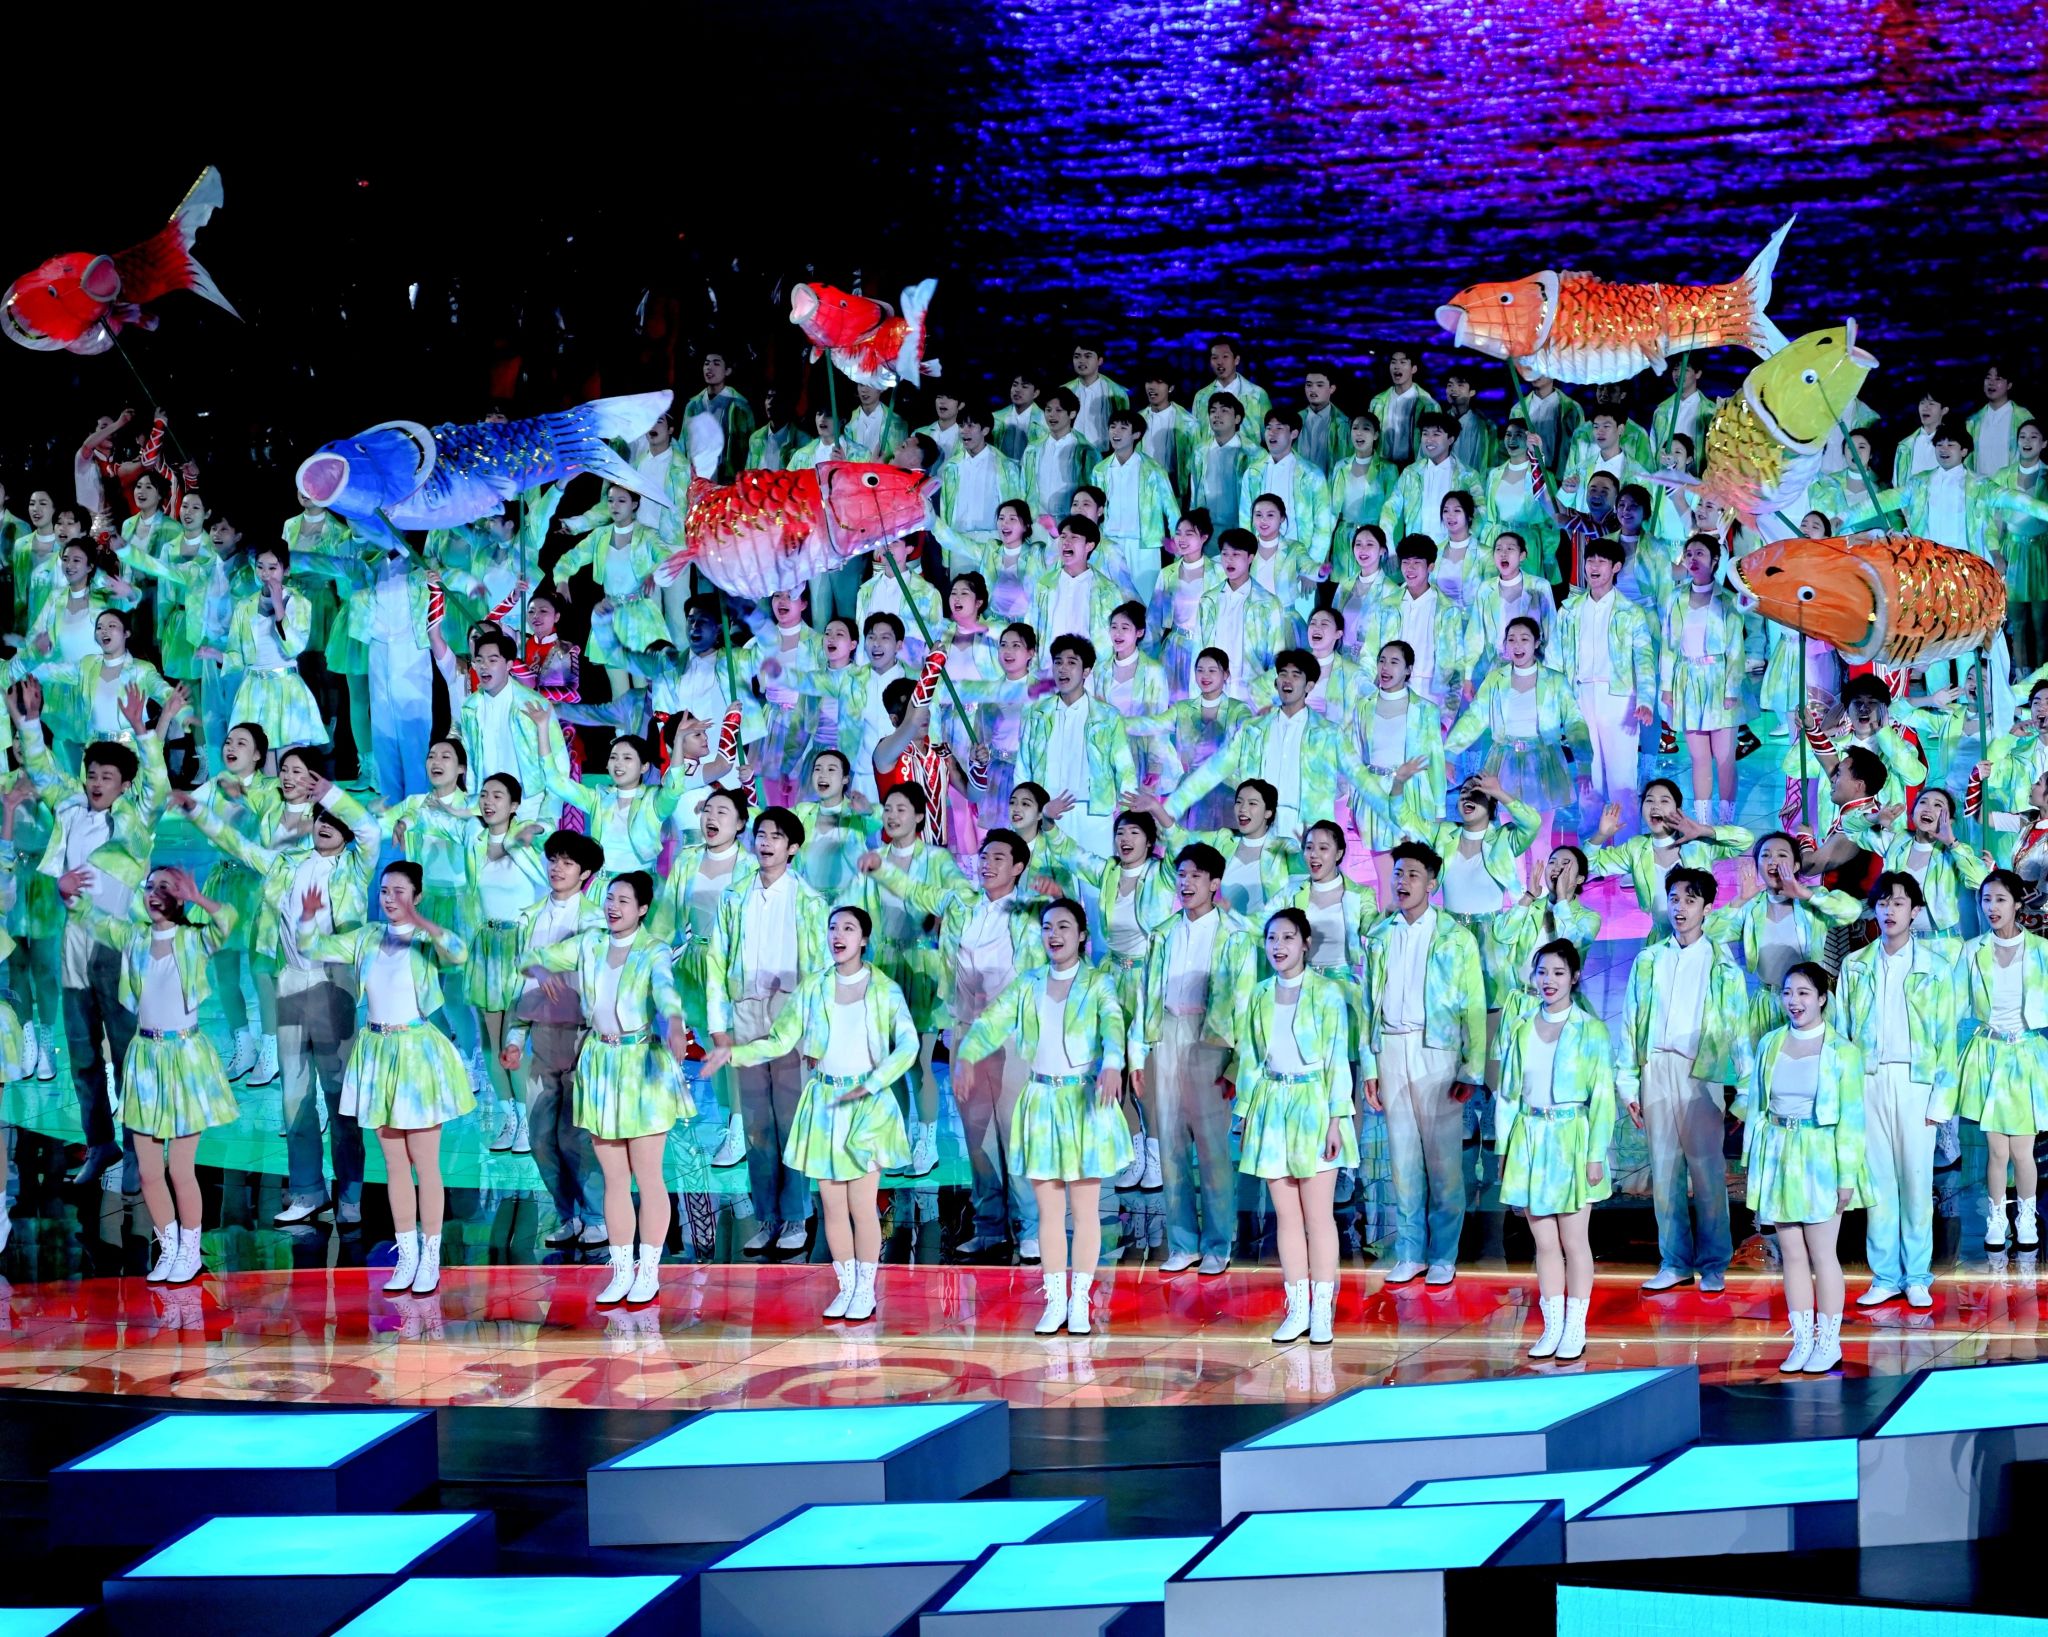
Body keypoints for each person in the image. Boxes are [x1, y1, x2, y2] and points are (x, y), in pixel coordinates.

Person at [176, 750, 380, 1225]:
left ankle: (350, 1191)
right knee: (295, 1095)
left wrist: (330, 793)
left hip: (334, 986)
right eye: (320, 819)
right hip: (291, 982)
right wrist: (196, 811)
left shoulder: (355, 866)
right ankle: (307, 1190)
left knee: (339, 1096)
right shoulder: (288, 864)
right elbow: (237, 843)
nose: (326, 825)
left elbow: (370, 828)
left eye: (334, 821)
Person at [702, 906, 918, 1322]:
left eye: (848, 929)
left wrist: (875, 1083)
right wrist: (735, 1053)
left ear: (863, 940)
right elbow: (780, 1040)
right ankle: (847, 1286)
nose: (838, 935)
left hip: (867, 1106)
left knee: (861, 1205)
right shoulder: (814, 987)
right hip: (825, 1104)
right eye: (833, 928)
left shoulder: (884, 989)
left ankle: (866, 1289)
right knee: (832, 1207)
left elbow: (908, 1045)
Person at [14, 676, 177, 1185]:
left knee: (127, 1052)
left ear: (124, 784)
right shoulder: (70, 809)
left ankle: (138, 1152)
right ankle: (100, 1144)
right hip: (75, 943)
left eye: (107, 776)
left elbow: (158, 785)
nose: (96, 782)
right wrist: (29, 723)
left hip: (120, 943)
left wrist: (144, 732)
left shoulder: (135, 816)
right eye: (92, 774)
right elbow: (42, 770)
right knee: (83, 1052)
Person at [957, 898, 1131, 1336]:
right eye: (1048, 927)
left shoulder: (1098, 983)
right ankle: (1055, 1300)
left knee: (1085, 1211)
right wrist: (966, 1057)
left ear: (1082, 936)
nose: (1054, 935)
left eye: (1064, 927)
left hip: (1083, 1102)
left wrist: (1113, 1063)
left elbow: (1114, 1027)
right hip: (1041, 1103)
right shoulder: (1028, 983)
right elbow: (991, 1023)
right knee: (1048, 1212)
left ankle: (1080, 1299)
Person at [299, 862, 474, 1296]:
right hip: (377, 1053)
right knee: (395, 1164)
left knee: (424, 1163)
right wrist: (308, 916)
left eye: (399, 891)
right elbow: (313, 945)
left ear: (416, 896)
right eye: (384, 890)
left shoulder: (424, 940)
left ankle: (430, 1256)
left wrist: (421, 923)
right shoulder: (368, 936)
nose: (390, 898)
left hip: (416, 1054)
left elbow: (459, 952)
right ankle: (406, 1254)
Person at [529, 870, 693, 1305]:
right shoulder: (590, 943)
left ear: (642, 909)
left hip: (642, 1066)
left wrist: (675, 1021)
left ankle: (649, 1270)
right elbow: (529, 955)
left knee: (648, 1176)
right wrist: (539, 968)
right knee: (614, 1178)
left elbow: (666, 990)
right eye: (609, 898)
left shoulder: (653, 950)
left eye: (623, 900)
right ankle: (621, 1270)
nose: (613, 906)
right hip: (600, 1063)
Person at [77, 865, 239, 1285]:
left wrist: (199, 898)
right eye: (150, 886)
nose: (154, 893)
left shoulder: (193, 939)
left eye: (165, 886)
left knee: (180, 1169)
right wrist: (69, 894)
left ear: (180, 895)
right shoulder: (134, 937)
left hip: (185, 1059)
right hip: (145, 1058)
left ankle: (190, 1250)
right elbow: (91, 918)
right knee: (149, 1171)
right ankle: (168, 1248)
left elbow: (227, 920)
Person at [1615, 866, 1754, 1294]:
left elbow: (1739, 1030)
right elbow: (1630, 1022)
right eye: (1674, 899)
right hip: (1656, 1067)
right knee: (1664, 1170)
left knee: (1707, 1172)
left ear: (1707, 908)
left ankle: (1714, 1263)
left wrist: (1745, 1091)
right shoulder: (1649, 960)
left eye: (1690, 900)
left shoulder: (1722, 965)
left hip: (1701, 1073)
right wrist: (1627, 1081)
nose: (1680, 908)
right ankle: (1674, 1261)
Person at [1360, 842, 1488, 1287]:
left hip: (1437, 1050)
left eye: (1413, 874)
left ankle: (1443, 1253)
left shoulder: (1455, 937)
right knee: (1402, 1157)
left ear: (1432, 883)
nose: (1402, 882)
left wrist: (1471, 1068)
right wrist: (1370, 1065)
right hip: (1391, 1048)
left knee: (1443, 1160)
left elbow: (1474, 1005)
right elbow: (1368, 1004)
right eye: (1398, 873)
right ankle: (1410, 1251)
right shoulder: (1380, 936)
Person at [1129, 842, 1259, 1276]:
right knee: (1170, 1144)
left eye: (1196, 876)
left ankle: (1218, 1244)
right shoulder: (1162, 933)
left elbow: (1246, 1005)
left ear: (1214, 884)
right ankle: (1183, 1243)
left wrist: (1238, 1064)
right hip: (1166, 1035)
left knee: (1213, 1149)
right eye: (1182, 875)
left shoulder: (1236, 936)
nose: (1186, 883)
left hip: (1211, 1040)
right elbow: (1146, 995)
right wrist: (1137, 1054)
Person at [707, 808, 831, 1254]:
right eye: (761, 834)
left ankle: (796, 1215)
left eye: (776, 836)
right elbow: (716, 959)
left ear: (793, 847)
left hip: (790, 1015)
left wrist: (817, 1036)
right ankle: (767, 1216)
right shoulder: (734, 895)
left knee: (791, 1119)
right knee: (757, 1123)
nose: (766, 842)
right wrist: (718, 1025)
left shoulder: (810, 900)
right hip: (746, 1012)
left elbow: (822, 972)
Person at [1835, 873, 1957, 1309]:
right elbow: (1842, 1034)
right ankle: (1885, 1275)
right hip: (1868, 1081)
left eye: (1899, 903)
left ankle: (1917, 1275)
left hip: (1915, 1082)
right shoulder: (1855, 965)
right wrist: (1846, 1093)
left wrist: (1941, 1100)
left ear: (1915, 912)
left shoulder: (1935, 968)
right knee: (1878, 1184)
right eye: (1883, 903)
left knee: (1916, 1182)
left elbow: (1946, 1038)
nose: (1889, 911)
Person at [1738, 962, 1866, 1374]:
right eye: (1788, 993)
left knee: (1822, 1253)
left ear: (1822, 999)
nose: (1794, 1001)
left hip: (1820, 1155)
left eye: (1804, 993)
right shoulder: (1771, 1044)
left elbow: (1852, 1120)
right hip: (1779, 1153)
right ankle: (1803, 1339)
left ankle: (1829, 1341)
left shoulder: (1843, 1052)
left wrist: (1846, 1177)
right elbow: (1757, 1106)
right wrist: (1753, 1162)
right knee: (1791, 1253)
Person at [1238, 908, 1357, 1345]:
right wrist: (1245, 1113)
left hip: (1314, 1106)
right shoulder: (1260, 994)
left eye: (1288, 938)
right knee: (1286, 1218)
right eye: (1272, 938)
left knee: (1318, 1217)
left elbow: (1337, 1061)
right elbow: (1250, 1059)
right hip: (1272, 1106)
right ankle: (1298, 1308)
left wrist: (1336, 1121)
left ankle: (1322, 1309)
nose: (1279, 946)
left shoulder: (1327, 994)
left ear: (1306, 944)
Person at [1495, 939, 1613, 1362]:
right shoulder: (1521, 1027)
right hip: (1530, 1139)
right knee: (1544, 1242)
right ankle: (1552, 1325)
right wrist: (1504, 1149)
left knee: (1574, 1240)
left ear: (1574, 978)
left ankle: (1575, 1326)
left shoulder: (1591, 1030)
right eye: (1542, 972)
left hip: (1572, 1139)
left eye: (1558, 973)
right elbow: (1508, 1095)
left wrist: (1596, 1154)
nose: (1549, 980)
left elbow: (1603, 1098)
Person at [498, 830, 609, 1250]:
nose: (557, 868)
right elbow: (521, 983)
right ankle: (567, 1215)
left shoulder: (596, 920)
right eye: (554, 860)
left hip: (581, 1038)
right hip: (542, 1037)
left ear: (585, 873)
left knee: (577, 1136)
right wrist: (515, 1037)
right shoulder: (530, 917)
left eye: (567, 862)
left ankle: (596, 1216)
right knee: (541, 1138)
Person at [1945, 870, 2048, 1251]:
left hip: (2026, 1056)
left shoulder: (2041, 949)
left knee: (2022, 1150)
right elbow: (1954, 1005)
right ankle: (1996, 1217)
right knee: (1996, 1150)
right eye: (1986, 899)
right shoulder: (1972, 950)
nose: (1992, 907)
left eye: (2001, 899)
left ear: (2018, 904)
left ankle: (2026, 1217)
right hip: (1988, 1055)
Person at [1554, 538, 1658, 834]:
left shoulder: (1631, 612)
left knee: (1621, 777)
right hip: (1580, 696)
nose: (1594, 566)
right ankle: (1591, 839)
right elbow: (1556, 659)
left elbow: (1644, 660)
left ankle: (1626, 842)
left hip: (1620, 699)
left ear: (1616, 567)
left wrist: (1646, 700)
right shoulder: (1569, 610)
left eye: (1602, 561)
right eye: (1590, 560)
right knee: (1588, 775)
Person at [1014, 635, 1137, 862]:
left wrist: (1129, 818)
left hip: (1094, 816)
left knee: (1097, 879)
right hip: (1049, 813)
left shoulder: (1107, 717)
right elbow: (1023, 767)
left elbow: (1125, 769)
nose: (1063, 669)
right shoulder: (1037, 714)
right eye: (1058, 662)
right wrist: (1025, 811)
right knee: (1051, 880)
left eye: (1072, 662)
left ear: (1086, 671)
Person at [1660, 534, 1746, 823]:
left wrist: (1731, 689)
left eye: (1700, 554)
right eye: (1689, 554)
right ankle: (1703, 821)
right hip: (1687, 682)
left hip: (1719, 681)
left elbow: (1736, 649)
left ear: (1715, 560)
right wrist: (1667, 687)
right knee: (1698, 758)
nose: (1693, 559)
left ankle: (1726, 821)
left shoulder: (1728, 601)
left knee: (1725, 757)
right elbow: (1668, 645)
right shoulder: (1675, 598)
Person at [1192, 530, 1296, 701]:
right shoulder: (1208, 601)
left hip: (1252, 695)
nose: (1229, 560)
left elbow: (1277, 657)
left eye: (1236, 554)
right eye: (1225, 554)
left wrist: (1267, 697)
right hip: (1214, 692)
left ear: (1250, 558)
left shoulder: (1268, 603)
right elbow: (1198, 651)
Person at [1380, 413, 1479, 548]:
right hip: (1416, 550)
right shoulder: (1411, 473)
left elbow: (1481, 512)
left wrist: (1464, 542)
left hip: (1453, 550)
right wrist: (1389, 545)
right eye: (1425, 434)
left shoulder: (1467, 476)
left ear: (1450, 439)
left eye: (1436, 434)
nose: (1429, 440)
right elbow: (1390, 508)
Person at [1367, 348, 1438, 468]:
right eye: (1393, 362)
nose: (1397, 367)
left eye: (1403, 362)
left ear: (1413, 369)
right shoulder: (1377, 402)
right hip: (1382, 467)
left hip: (1413, 468)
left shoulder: (1428, 404)